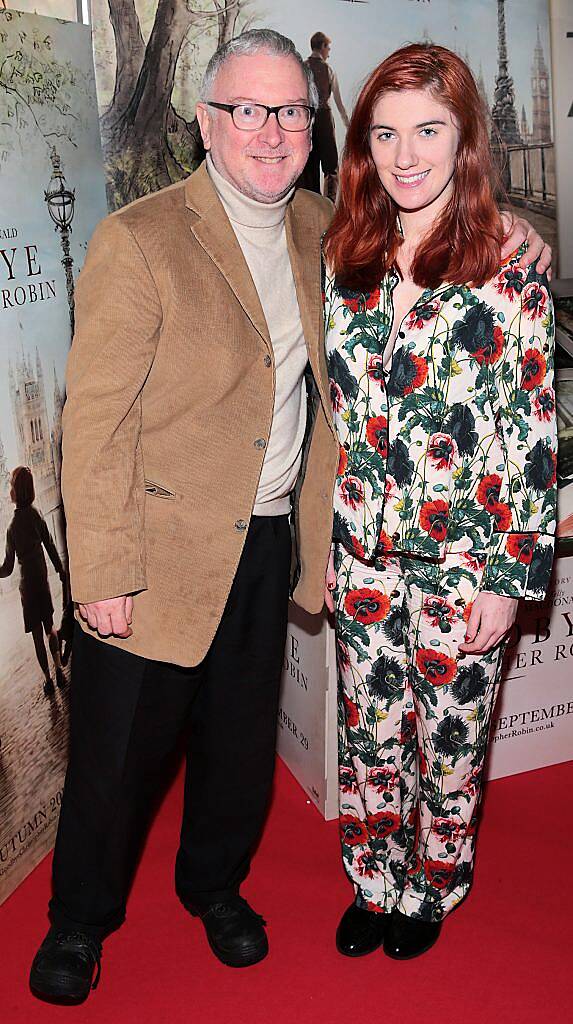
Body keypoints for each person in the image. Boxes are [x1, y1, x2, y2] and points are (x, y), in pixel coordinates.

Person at [28, 26, 549, 1004]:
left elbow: (512, 403)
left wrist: (518, 224)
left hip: (283, 543)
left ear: (314, 129)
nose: (270, 132)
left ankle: (219, 887)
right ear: (206, 122)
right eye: (248, 110)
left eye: (292, 112)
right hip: (167, 547)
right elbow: (90, 420)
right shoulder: (143, 237)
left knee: (237, 744)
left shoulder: (326, 229)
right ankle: (78, 921)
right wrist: (100, 569)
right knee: (118, 754)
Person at [314, 43, 557, 962]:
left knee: (450, 740)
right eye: (384, 132)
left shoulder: (507, 260)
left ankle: (433, 881)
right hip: (363, 548)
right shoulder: (348, 252)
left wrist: (510, 576)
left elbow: (530, 430)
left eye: (427, 129)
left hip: (466, 558)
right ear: (362, 147)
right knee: (369, 726)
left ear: (463, 139)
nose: (405, 153)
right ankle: (373, 881)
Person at [0, 466, 66, 695]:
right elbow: (49, 544)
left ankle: (47, 679)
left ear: (16, 491)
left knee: (38, 636)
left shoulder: (12, 528)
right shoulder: (37, 515)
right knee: (50, 626)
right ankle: (59, 668)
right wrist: (60, 569)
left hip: (27, 588)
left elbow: (7, 568)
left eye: (10, 486)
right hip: (42, 582)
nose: (9, 490)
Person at [300, 31, 350, 201]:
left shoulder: (302, 68)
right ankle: (328, 206)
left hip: (306, 119)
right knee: (330, 166)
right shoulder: (328, 70)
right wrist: (349, 125)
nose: (329, 52)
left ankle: (311, 205)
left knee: (309, 166)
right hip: (323, 119)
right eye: (328, 47)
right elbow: (338, 102)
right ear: (322, 47)